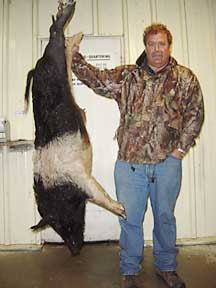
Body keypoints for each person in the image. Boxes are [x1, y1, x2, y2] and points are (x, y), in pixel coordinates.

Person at [71, 23, 204, 288]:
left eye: (162, 44)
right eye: (152, 44)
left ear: (169, 46)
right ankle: (129, 270)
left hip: (167, 164)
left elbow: (195, 114)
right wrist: (73, 56)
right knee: (130, 219)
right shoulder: (128, 76)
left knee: (165, 217)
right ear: (145, 46)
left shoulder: (185, 77)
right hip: (130, 165)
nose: (157, 49)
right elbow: (96, 79)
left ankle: (166, 268)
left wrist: (180, 150)